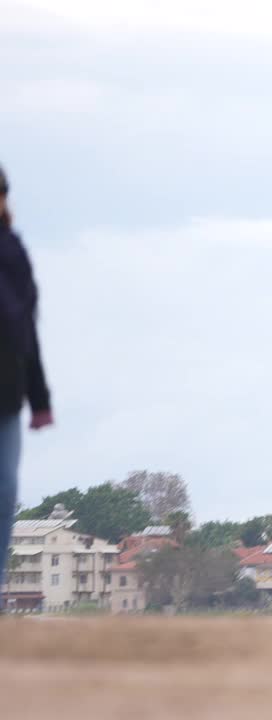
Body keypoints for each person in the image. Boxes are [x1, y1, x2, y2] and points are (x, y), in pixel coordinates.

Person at [0, 164, 53, 610]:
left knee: (3, 493)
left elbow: (25, 330)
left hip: (5, 395)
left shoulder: (12, 252)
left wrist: (40, 400)